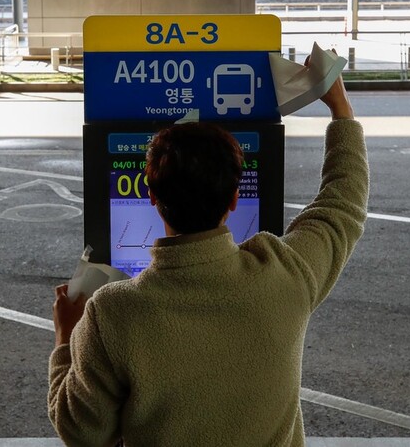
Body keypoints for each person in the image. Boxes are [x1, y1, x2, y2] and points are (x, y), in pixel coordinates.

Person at [48, 67, 369, 447]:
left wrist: (66, 338)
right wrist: (341, 111)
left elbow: (81, 432)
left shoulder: (113, 311)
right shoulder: (285, 273)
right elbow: (342, 205)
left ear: (151, 195)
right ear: (234, 199)